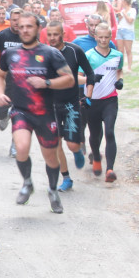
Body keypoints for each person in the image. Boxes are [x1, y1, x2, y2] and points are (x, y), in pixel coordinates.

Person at [0, 14, 75, 213]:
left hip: (45, 113)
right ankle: (27, 183)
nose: (25, 30)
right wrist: (0, 92)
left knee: (51, 158)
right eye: (21, 27)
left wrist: (47, 83)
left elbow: (70, 79)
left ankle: (53, 190)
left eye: (29, 26)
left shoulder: (50, 53)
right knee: (21, 148)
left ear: (38, 29)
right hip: (20, 111)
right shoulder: (11, 54)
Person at [45, 20, 95, 192]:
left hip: (71, 104)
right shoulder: (43, 53)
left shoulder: (74, 51)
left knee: (71, 145)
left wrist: (88, 95)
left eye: (55, 34)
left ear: (63, 35)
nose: (52, 38)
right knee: (55, 142)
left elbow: (89, 73)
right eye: (49, 35)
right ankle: (66, 178)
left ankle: (77, 151)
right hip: (51, 106)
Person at [84, 23, 124, 182]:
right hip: (93, 100)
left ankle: (110, 170)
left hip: (110, 100)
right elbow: (79, 76)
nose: (103, 40)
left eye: (106, 37)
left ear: (110, 37)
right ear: (95, 37)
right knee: (95, 134)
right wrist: (90, 79)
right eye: (100, 37)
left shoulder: (117, 55)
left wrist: (119, 80)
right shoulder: (88, 55)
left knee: (109, 132)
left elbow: (118, 71)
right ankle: (97, 160)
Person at [0, 7, 25, 158]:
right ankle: (3, 117)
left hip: (21, 81)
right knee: (2, 111)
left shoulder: (28, 37)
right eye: (14, 20)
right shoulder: (2, 35)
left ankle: (14, 145)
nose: (16, 23)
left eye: (19, 20)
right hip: (3, 78)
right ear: (10, 21)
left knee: (18, 114)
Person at [115, 0, 136, 72]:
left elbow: (130, 21)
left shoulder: (132, 10)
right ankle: (120, 67)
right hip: (120, 30)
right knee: (120, 50)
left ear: (126, 2)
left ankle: (129, 67)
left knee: (128, 50)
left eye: (122, 2)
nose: (121, 3)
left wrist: (124, 14)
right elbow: (119, 21)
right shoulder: (122, 11)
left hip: (128, 31)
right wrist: (119, 17)